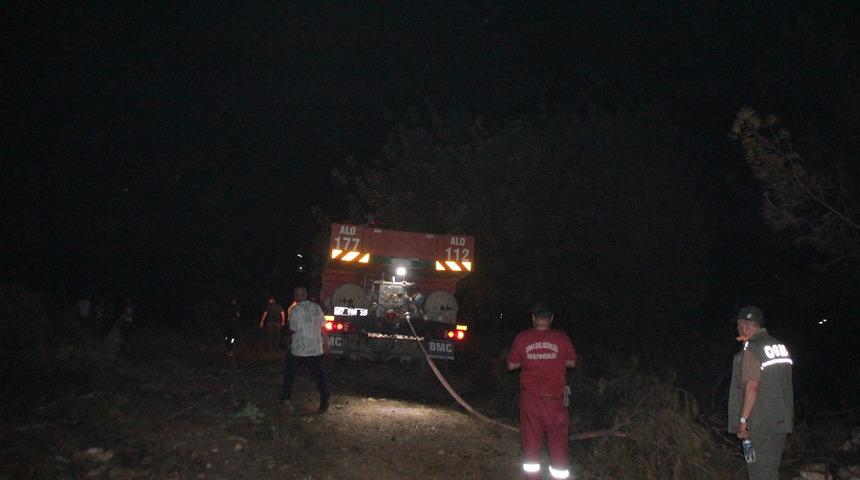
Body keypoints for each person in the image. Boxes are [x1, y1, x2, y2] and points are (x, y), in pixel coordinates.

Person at [507, 304, 577, 480]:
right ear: (551, 319)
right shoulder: (561, 338)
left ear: (533, 319)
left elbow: (511, 365)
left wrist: (532, 359)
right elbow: (571, 362)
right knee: (558, 444)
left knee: (531, 444)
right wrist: (552, 359)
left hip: (530, 401)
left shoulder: (523, 337)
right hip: (555, 402)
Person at [727, 305, 794, 480]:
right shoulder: (779, 346)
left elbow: (752, 387)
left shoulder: (752, 350)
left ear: (746, 326)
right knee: (765, 470)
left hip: (758, 426)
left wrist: (742, 421)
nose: (737, 329)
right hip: (779, 421)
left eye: (739, 325)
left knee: (760, 473)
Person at [279, 286, 330, 414]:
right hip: (314, 348)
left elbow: (293, 329)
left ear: (296, 296)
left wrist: (285, 338)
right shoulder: (316, 308)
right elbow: (323, 327)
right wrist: (326, 344)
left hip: (299, 349)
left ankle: (285, 397)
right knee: (319, 375)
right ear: (306, 295)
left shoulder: (294, 310)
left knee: (289, 373)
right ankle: (325, 399)